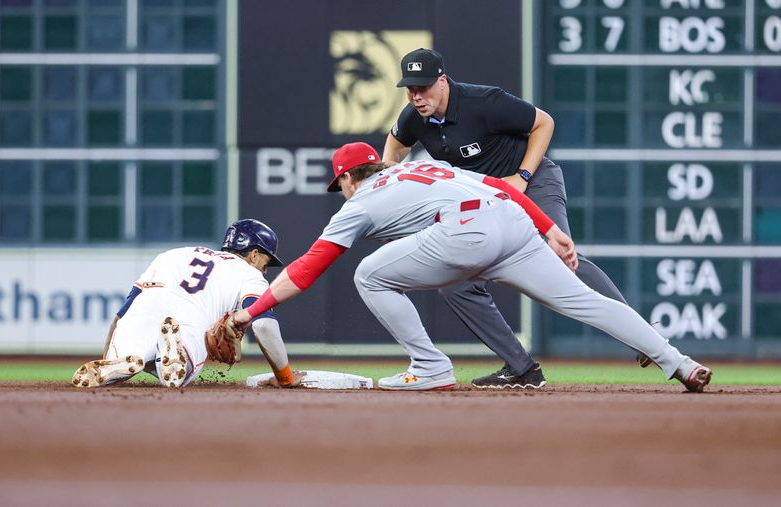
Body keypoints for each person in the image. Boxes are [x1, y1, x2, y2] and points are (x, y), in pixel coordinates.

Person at [227, 142, 712, 393]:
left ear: (351, 176)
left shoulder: (360, 202)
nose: (343, 192)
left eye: (342, 183)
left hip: (468, 233)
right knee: (587, 302)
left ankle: (430, 366)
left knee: (368, 275)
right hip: (513, 222)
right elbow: (499, 187)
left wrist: (253, 312)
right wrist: (548, 228)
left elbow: (309, 268)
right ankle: (680, 364)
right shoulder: (420, 166)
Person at [383, 48, 648, 390]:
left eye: (424, 87)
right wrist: (389, 172)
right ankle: (521, 367)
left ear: (442, 81)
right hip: (485, 201)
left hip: (532, 181)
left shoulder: (484, 102)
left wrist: (522, 175)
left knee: (561, 256)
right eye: (411, 89)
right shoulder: (414, 117)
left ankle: (644, 339)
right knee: (454, 283)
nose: (417, 96)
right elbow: (395, 144)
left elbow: (543, 122)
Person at [71, 219, 304, 388]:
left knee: (130, 355)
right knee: (179, 376)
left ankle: (115, 363)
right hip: (189, 319)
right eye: (266, 261)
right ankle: (174, 348)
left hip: (145, 307)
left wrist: (105, 356)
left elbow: (119, 317)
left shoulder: (173, 254)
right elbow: (264, 326)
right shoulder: (250, 274)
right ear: (253, 255)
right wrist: (284, 377)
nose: (265, 269)